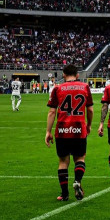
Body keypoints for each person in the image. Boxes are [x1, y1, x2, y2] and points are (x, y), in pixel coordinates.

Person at [45, 64, 94, 202]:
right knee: (80, 158)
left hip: (62, 129)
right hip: (79, 129)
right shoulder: (85, 87)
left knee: (63, 161)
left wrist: (48, 131)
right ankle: (77, 181)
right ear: (77, 75)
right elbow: (90, 110)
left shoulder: (57, 88)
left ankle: (64, 194)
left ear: (63, 74)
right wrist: (89, 125)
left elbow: (52, 111)